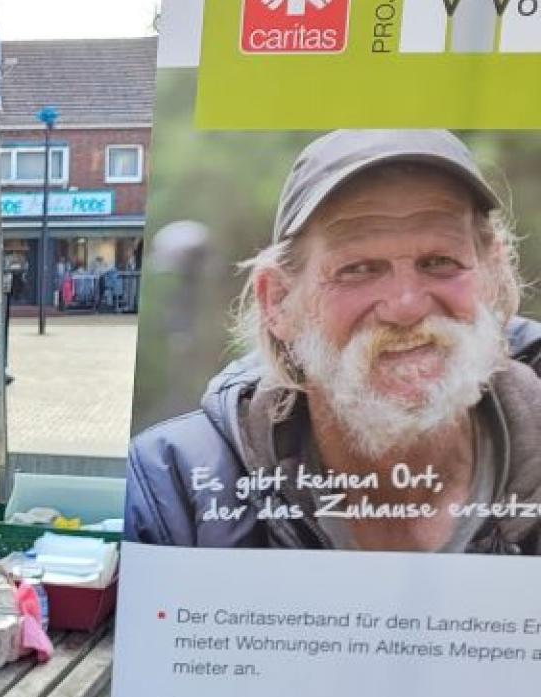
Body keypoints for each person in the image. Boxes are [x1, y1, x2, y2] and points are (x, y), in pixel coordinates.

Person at [128, 129, 541, 552]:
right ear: (279, 301)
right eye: (359, 269)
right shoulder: (174, 488)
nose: (406, 306)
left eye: (440, 262)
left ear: (493, 275)